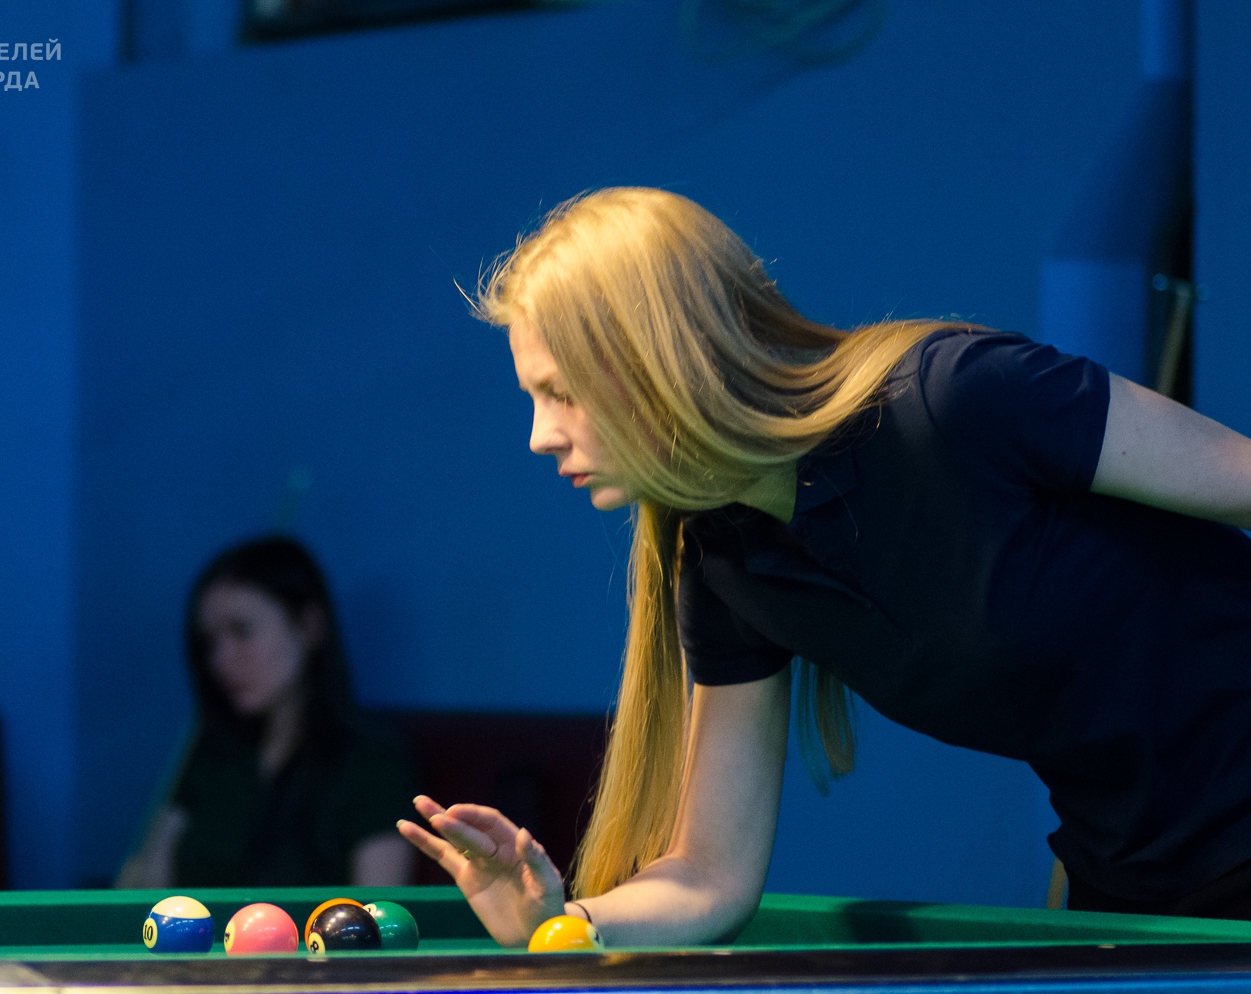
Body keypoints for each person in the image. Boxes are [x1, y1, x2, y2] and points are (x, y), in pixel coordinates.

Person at [396, 187, 1251, 944]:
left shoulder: (956, 396)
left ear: (658, 357)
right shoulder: (728, 561)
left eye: (561, 392)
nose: (540, 436)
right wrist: (563, 922)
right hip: (1138, 883)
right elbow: (712, 876)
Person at [118, 536, 416, 888]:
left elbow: (378, 909)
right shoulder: (209, 754)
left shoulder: (371, 760)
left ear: (309, 625)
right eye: (210, 642)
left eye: (242, 631)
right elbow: (147, 887)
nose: (221, 661)